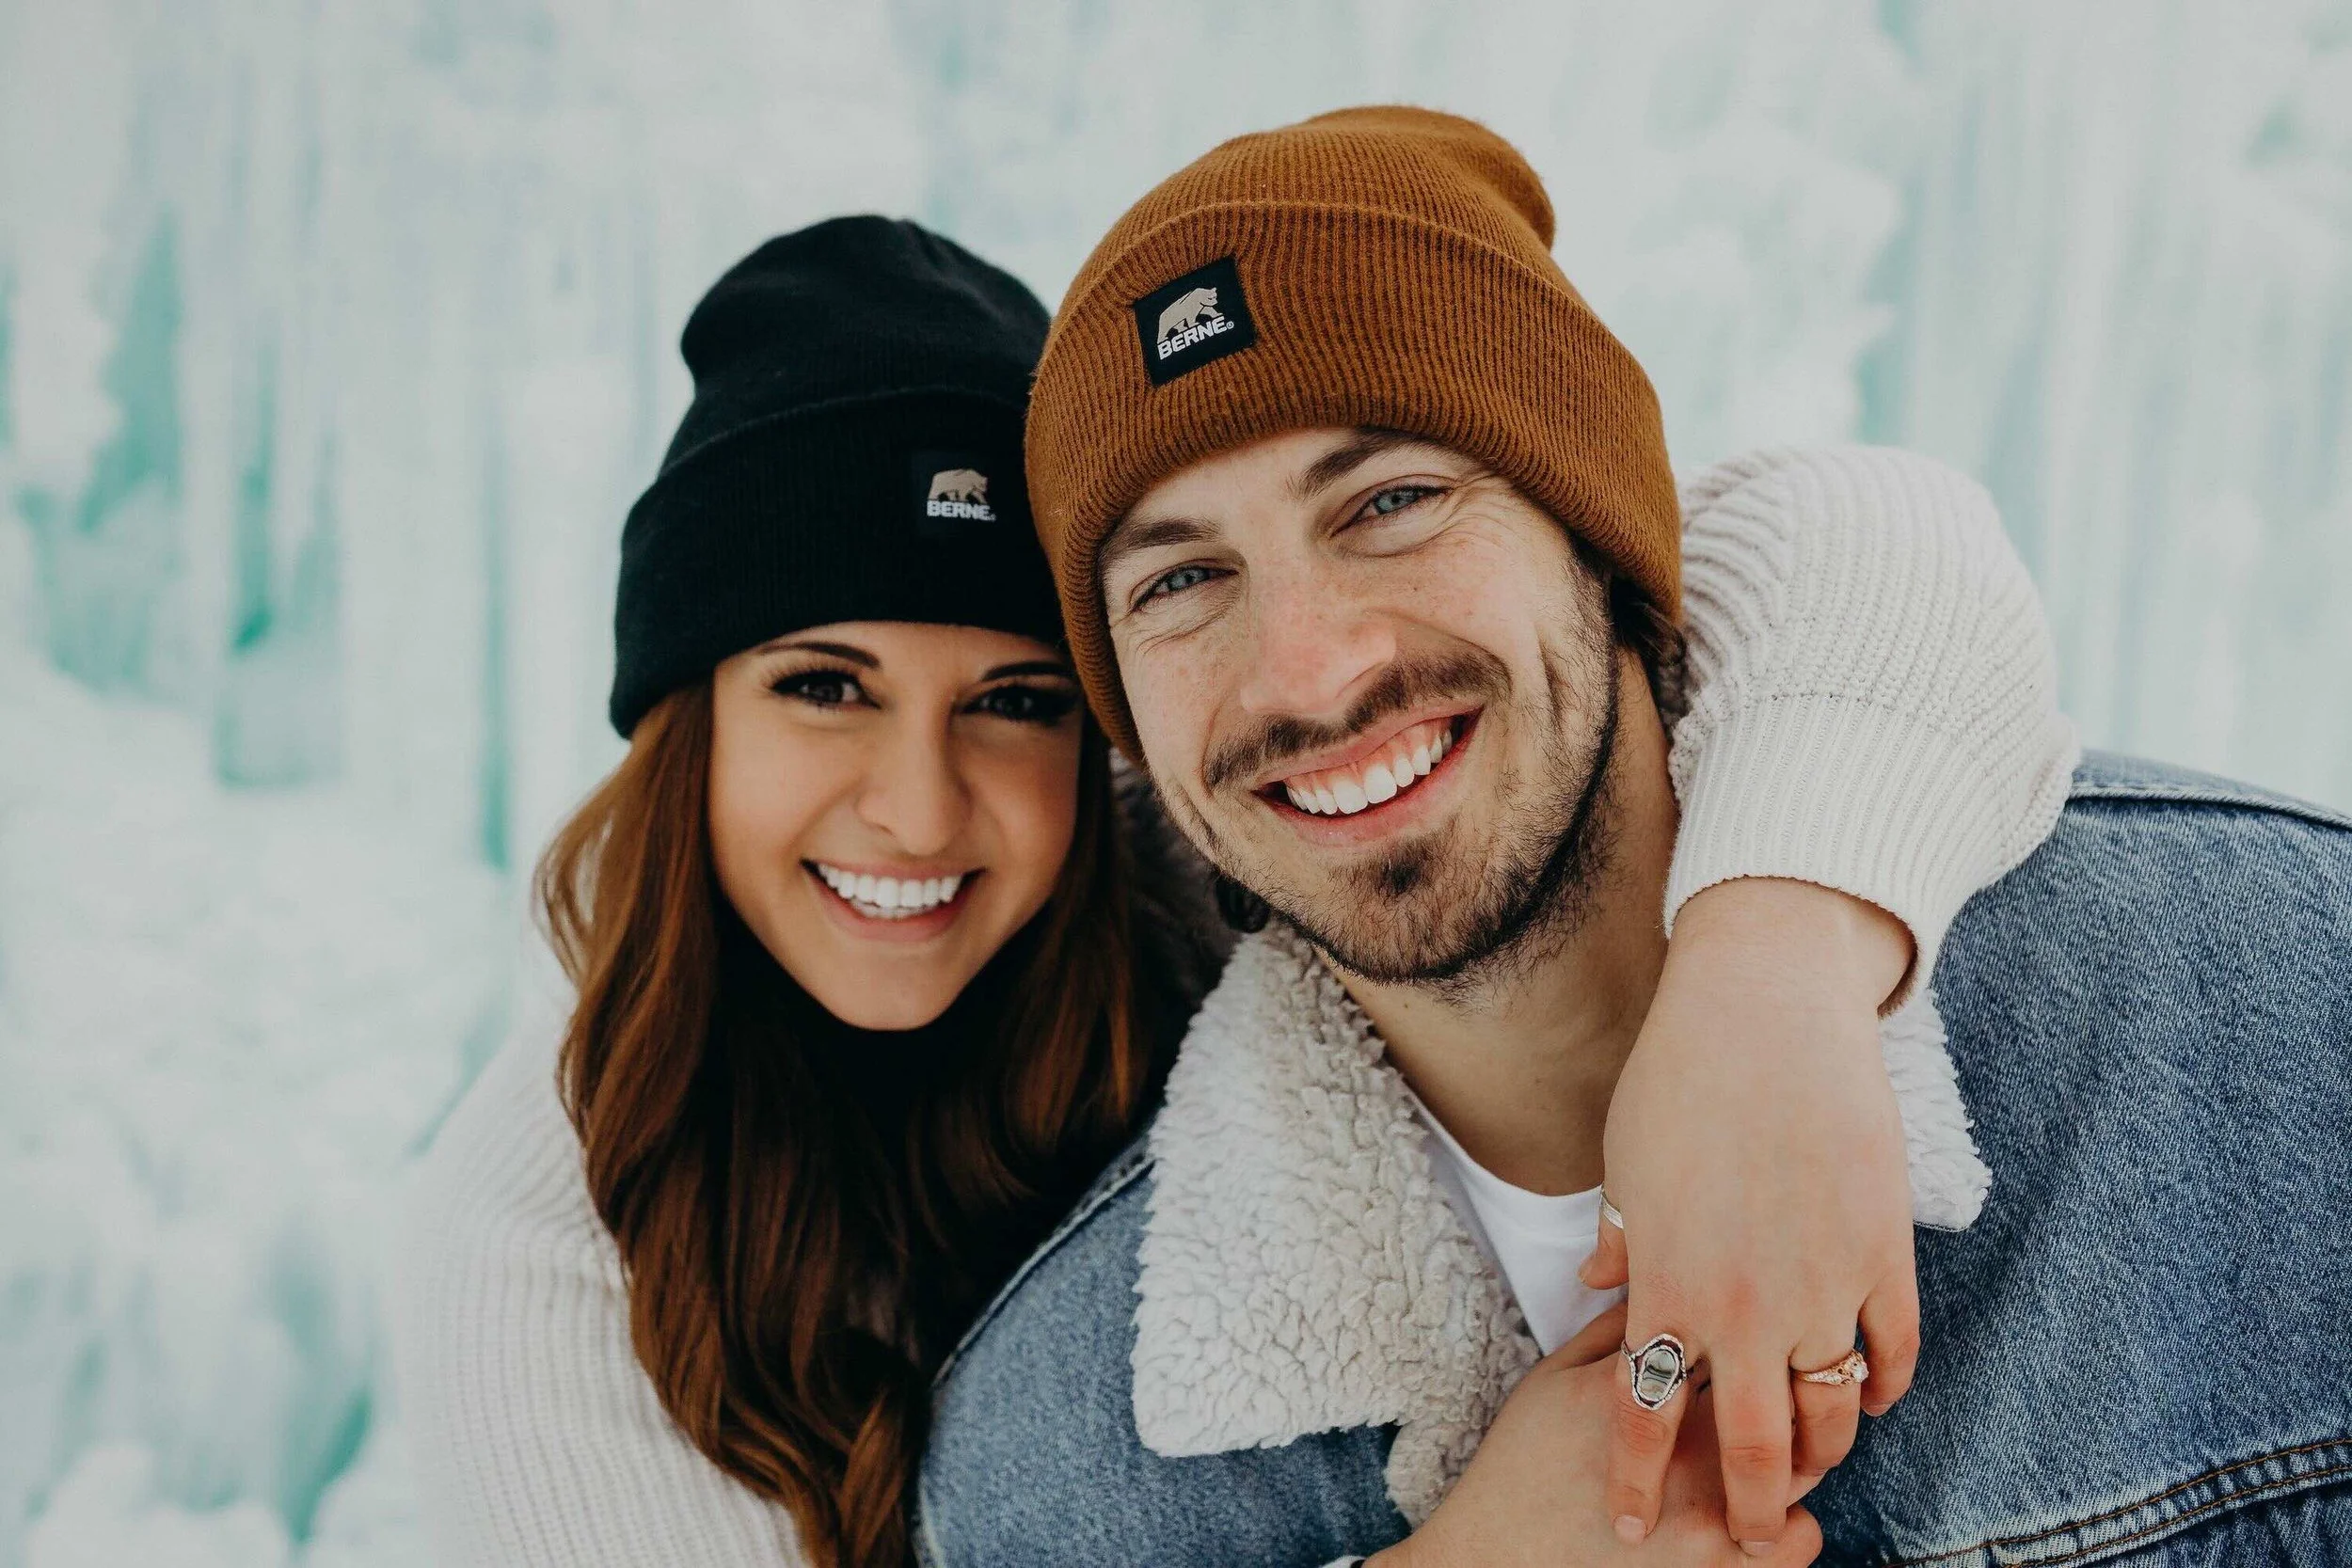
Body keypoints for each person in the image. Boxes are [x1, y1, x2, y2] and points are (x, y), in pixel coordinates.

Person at [393, 212, 2075, 1568]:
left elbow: (1841, 530)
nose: (915, 808)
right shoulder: (548, 1225)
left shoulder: (1214, 822)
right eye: (821, 685)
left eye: (1016, 699)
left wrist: (1767, 979)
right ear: (683, 731)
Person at [914, 106, 2352, 1566]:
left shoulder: (2282, 1013)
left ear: (1600, 530)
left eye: (1393, 500)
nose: (1310, 672)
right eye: (1180, 582)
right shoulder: (1056, 1469)